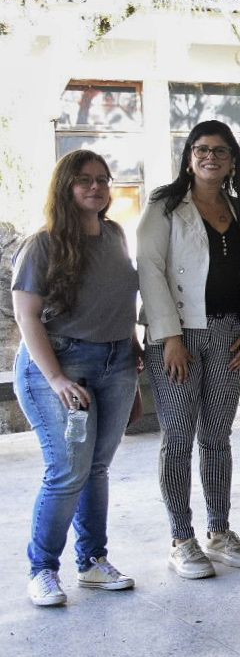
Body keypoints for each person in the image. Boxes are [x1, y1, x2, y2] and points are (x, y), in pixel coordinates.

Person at [137, 121, 240, 580]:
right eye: (202, 149)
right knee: (177, 437)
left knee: (216, 436)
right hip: (181, 338)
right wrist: (169, 337)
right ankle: (181, 537)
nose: (211, 157)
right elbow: (150, 268)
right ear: (189, 155)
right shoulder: (166, 205)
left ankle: (219, 531)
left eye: (221, 151)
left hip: (230, 335)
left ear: (233, 160)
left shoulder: (239, 209)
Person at [14, 151, 140, 606]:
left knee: (97, 469)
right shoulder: (44, 243)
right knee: (67, 471)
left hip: (117, 363)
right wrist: (56, 379)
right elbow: (27, 317)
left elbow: (119, 301)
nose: (96, 187)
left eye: (103, 180)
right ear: (65, 186)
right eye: (84, 180)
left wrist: (132, 356)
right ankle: (43, 570)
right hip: (61, 366)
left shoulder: (114, 234)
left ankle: (91, 563)